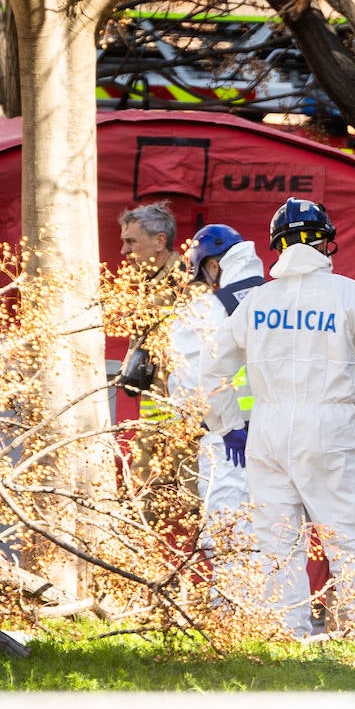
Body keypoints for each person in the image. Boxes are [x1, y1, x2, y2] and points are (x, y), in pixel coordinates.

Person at [203, 197, 355, 638]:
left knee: (275, 544)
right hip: (330, 432)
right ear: (326, 243)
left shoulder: (257, 303)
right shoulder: (349, 295)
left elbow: (211, 367)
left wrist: (229, 423)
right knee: (352, 540)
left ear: (277, 247)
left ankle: (282, 636)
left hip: (268, 434)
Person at [178, 224, 266, 557]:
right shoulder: (279, 300)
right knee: (278, 542)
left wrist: (217, 425)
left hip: (228, 441)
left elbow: (189, 384)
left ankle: (232, 611)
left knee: (227, 539)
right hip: (281, 436)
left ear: (213, 265)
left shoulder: (206, 309)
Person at [118, 201, 197, 529]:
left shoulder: (188, 285)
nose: (124, 251)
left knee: (200, 508)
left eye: (131, 242)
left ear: (160, 241)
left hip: (188, 422)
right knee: (141, 506)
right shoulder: (147, 285)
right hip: (156, 420)